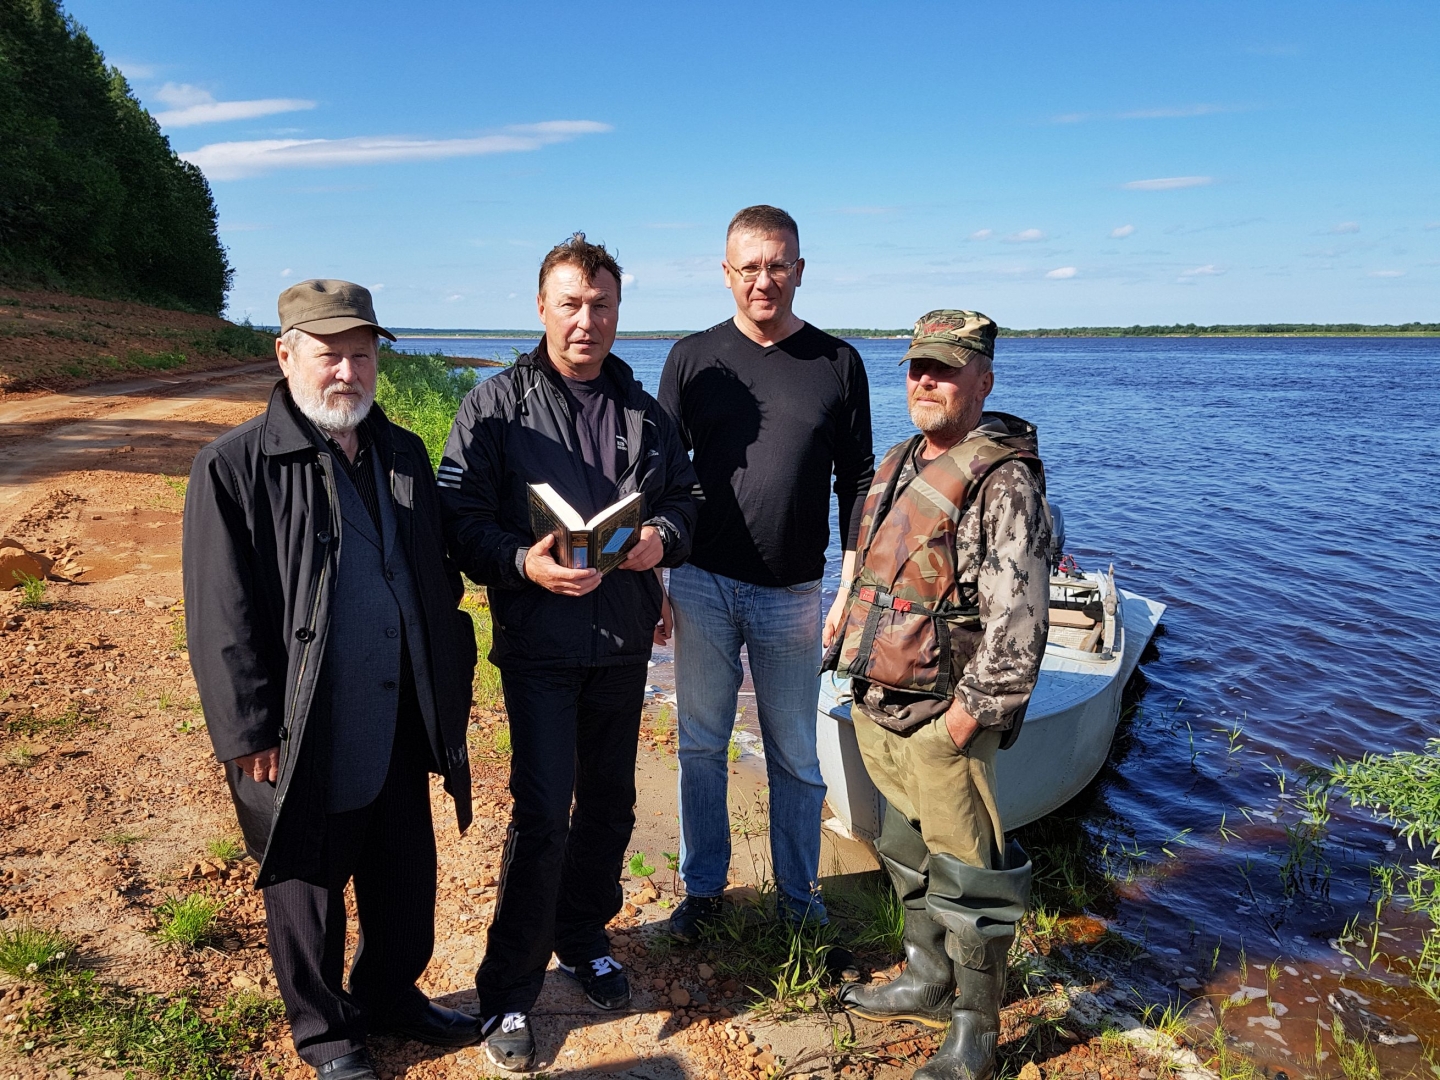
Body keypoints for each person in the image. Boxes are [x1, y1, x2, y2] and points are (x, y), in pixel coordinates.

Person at [183, 280, 481, 1080]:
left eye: (361, 353)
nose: (346, 371)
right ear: (286, 356)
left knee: (404, 879)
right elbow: (221, 616)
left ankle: (389, 995)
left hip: (402, 715)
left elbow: (436, 579)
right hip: (303, 726)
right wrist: (247, 733)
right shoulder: (233, 467)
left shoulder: (403, 453)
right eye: (328, 354)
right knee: (308, 893)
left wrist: (451, 678)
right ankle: (323, 1034)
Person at [438, 234, 698, 1073]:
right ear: (541, 306)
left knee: (612, 807)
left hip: (623, 642)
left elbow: (687, 500)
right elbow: (457, 516)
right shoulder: (495, 406)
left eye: (603, 305)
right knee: (545, 813)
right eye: (571, 303)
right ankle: (508, 992)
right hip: (539, 645)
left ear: (619, 312)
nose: (587, 321)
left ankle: (585, 936)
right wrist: (522, 562)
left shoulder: (644, 411)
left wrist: (663, 538)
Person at [828, 311, 1050, 1080]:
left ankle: (976, 1036)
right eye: (918, 366)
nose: (927, 380)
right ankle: (926, 977)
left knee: (972, 882)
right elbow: (870, 569)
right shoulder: (897, 461)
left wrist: (963, 721)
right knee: (904, 853)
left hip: (944, 720)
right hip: (882, 705)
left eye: (946, 369)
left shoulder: (1004, 481)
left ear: (982, 381)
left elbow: (1018, 623)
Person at [658, 205, 874, 951]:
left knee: (794, 754)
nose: (763, 280)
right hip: (700, 582)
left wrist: (851, 582)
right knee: (701, 744)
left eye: (777, 264)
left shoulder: (837, 362)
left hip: (793, 592)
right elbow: (659, 472)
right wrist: (655, 577)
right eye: (748, 266)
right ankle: (703, 892)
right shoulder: (692, 359)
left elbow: (859, 480)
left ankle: (798, 902)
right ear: (726, 272)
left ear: (800, 270)